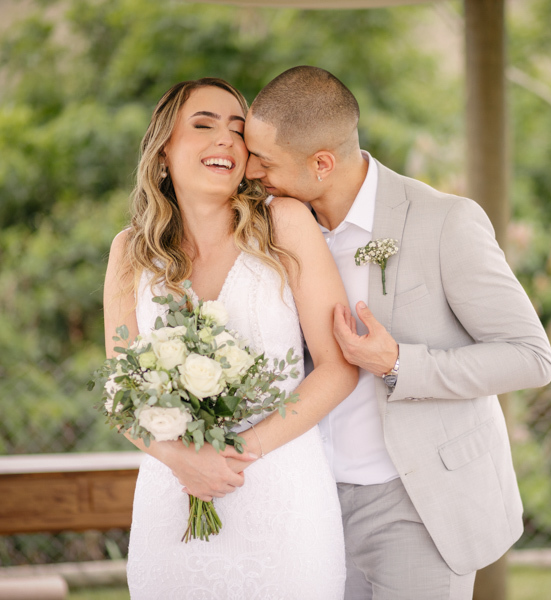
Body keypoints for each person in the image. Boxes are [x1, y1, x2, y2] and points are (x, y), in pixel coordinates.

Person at [241, 66, 551, 599]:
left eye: (265, 161)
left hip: (417, 506)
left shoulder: (444, 222)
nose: (251, 171)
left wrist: (397, 363)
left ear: (322, 163)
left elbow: (531, 357)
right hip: (310, 503)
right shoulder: (270, 229)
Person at [102, 77, 358, 599]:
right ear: (163, 150)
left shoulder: (284, 224)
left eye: (238, 130)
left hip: (281, 494)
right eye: (203, 125)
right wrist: (181, 459)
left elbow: (338, 368)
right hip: (174, 497)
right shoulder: (130, 253)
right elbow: (120, 394)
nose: (225, 138)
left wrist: (239, 450)